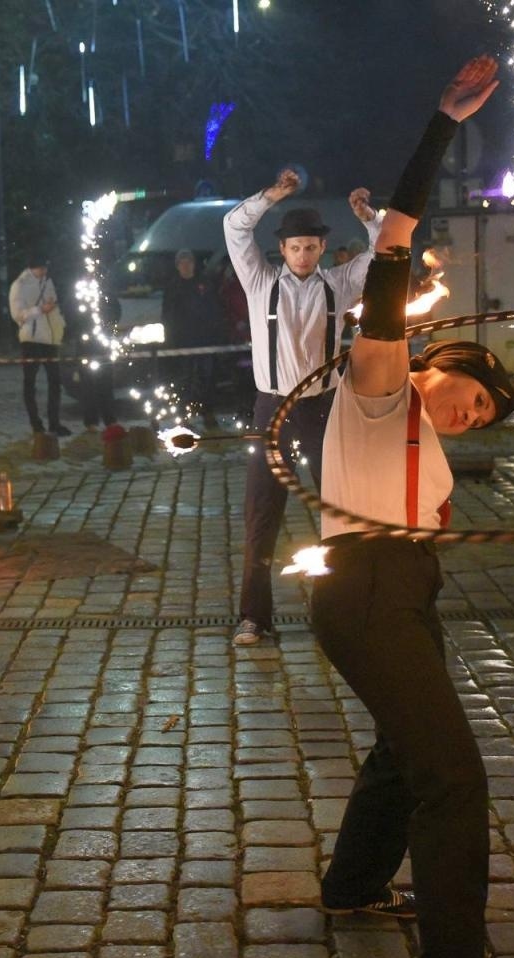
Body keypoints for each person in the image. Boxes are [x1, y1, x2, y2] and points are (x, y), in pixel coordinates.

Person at [310, 56, 514, 958]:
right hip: (365, 594)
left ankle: (352, 885)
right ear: (434, 359)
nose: (470, 408)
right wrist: (441, 131)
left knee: (403, 753)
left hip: (399, 595)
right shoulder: (379, 389)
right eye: (468, 388)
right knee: (453, 777)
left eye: (484, 412)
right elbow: (389, 277)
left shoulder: (430, 450)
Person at [225, 174, 380, 646]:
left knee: (338, 511)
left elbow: (383, 257)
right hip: (271, 410)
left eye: (311, 247)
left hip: (322, 410)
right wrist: (271, 195)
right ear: (283, 249)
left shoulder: (339, 283)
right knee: (261, 515)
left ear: (321, 247)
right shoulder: (259, 281)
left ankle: (342, 611)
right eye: (295, 247)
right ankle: (254, 617)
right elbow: (234, 227)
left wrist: (370, 219)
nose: (304, 256)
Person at [161, 249, 226, 427]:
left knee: (207, 379)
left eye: (188, 261)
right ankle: (184, 416)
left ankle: (208, 413)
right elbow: (167, 316)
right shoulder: (173, 287)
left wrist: (215, 333)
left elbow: (214, 309)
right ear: (177, 265)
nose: (186, 265)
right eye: (182, 262)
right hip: (182, 342)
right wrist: (171, 340)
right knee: (185, 381)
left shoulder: (204, 284)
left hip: (204, 341)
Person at [9, 252, 70, 436]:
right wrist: (39, 310)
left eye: (46, 268)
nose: (44, 271)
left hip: (50, 338)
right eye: (41, 267)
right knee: (30, 383)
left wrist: (57, 321)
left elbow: (53, 303)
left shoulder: (47, 281)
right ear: (32, 267)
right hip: (31, 339)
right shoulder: (19, 285)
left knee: (55, 382)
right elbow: (17, 314)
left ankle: (54, 422)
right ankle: (36, 424)